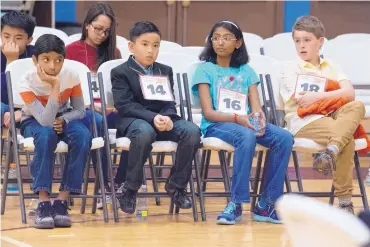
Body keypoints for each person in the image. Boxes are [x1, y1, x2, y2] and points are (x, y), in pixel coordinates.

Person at [192, 20, 294, 225]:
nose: (220, 42)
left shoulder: (247, 71)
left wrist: (259, 118)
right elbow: (209, 113)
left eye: (226, 38)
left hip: (245, 122)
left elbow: (256, 107)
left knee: (284, 137)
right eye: (216, 38)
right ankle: (236, 203)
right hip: (218, 124)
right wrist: (238, 119)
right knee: (245, 136)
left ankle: (267, 204)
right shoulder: (205, 70)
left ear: (238, 43)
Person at [111, 21, 201, 214]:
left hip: (162, 120)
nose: (151, 50)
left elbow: (169, 102)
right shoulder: (120, 72)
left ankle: (176, 186)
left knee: (192, 131)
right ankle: (130, 189)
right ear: (131, 46)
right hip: (134, 122)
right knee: (144, 132)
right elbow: (125, 105)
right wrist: (154, 118)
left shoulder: (164, 70)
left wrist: (168, 117)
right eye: (145, 44)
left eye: (156, 45)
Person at [279, 16, 365, 214]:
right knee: (347, 138)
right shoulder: (290, 67)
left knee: (357, 105)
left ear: (320, 42)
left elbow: (349, 94)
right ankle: (345, 203)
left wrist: (318, 96)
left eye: (307, 40)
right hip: (304, 121)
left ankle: (331, 151)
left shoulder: (331, 65)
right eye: (297, 41)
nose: (301, 45)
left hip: (335, 118)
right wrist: (335, 92)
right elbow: (303, 101)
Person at [19, 34, 91, 229]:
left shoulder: (71, 75)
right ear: (35, 60)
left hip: (62, 118)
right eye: (46, 60)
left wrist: (64, 119)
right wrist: (55, 86)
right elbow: (44, 120)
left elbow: (80, 110)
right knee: (46, 134)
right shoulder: (26, 82)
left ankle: (61, 201)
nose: (52, 66)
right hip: (33, 121)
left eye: (58, 60)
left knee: (83, 136)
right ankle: (43, 201)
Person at [66, 2, 126, 208]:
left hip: (110, 108)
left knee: (138, 124)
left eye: (107, 31)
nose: (102, 35)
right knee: (97, 120)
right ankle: (104, 185)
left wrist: (117, 105)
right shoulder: (70, 51)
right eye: (98, 29)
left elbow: (120, 88)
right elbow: (66, 90)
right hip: (82, 108)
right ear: (86, 25)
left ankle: (121, 181)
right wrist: (90, 105)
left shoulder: (114, 52)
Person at [1, 11, 36, 128]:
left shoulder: (38, 55)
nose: (11, 41)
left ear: (29, 39)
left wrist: (13, 62)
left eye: (19, 38)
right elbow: (4, 97)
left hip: (31, 108)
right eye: (6, 36)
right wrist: (10, 62)